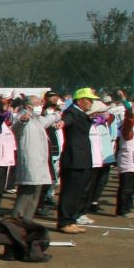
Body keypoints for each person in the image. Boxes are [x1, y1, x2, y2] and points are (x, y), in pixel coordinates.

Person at [55, 88, 100, 234]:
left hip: (83, 158)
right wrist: (62, 123)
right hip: (73, 158)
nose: (91, 103)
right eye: (89, 100)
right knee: (69, 191)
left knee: (79, 191)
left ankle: (72, 219)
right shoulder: (71, 112)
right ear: (80, 100)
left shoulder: (82, 113)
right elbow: (67, 120)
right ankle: (65, 221)